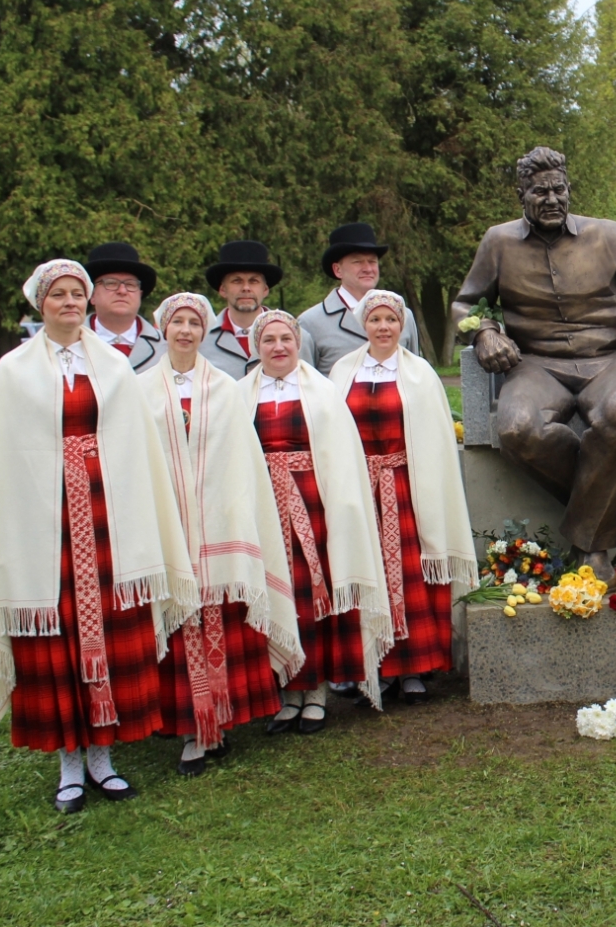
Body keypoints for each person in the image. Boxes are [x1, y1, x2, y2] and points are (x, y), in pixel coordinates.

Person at [0, 260, 196, 813]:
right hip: (45, 525)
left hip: (108, 516)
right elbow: (3, 458)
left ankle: (103, 759)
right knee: (57, 638)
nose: (68, 302)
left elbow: (136, 448)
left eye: (76, 294)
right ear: (40, 303)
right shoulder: (13, 371)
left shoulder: (112, 366)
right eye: (57, 295)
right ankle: (68, 761)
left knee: (111, 632)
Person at [451, 146, 616, 583]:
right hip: (535, 364)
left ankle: (590, 549)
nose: (552, 199)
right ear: (522, 194)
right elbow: (463, 304)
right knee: (517, 428)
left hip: (611, 359)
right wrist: (484, 332)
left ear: (569, 190)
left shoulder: (604, 235)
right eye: (540, 192)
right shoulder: (498, 242)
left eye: (559, 189)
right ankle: (610, 512)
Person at [142, 293, 302, 775]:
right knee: (180, 616)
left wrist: (227, 510)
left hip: (218, 523)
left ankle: (223, 718)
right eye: (178, 323)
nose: (186, 331)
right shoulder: (140, 390)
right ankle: (192, 728)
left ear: (204, 331)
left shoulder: (226, 389)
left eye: (194, 323)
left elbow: (239, 460)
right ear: (163, 330)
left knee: (219, 618)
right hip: (168, 521)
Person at [242, 309, 394, 733]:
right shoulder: (238, 395)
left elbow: (341, 459)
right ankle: (287, 692)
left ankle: (315, 694)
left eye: (286, 339)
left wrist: (339, 511)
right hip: (262, 507)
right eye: (269, 340)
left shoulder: (323, 393)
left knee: (313, 597)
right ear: (257, 347)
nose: (278, 347)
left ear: (298, 343)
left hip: (312, 505)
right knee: (277, 592)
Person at [330, 290, 477, 704]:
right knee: (366, 572)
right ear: (364, 325)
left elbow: (434, 439)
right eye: (375, 320)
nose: (383, 327)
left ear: (402, 326)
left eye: (390, 320)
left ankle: (413, 667)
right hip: (360, 489)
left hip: (406, 485)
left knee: (411, 575)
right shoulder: (342, 371)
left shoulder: (420, 374)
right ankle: (370, 665)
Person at [298, 222, 421, 377]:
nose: (368, 268)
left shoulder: (404, 316)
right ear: (338, 270)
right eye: (357, 262)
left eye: (372, 261)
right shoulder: (310, 323)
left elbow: (416, 376)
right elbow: (304, 387)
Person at [201, 239, 318, 378]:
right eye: (236, 281)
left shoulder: (297, 337)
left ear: (265, 289)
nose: (246, 288)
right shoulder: (202, 340)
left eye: (254, 281)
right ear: (222, 289)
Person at [84, 242, 165, 372]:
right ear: (92, 295)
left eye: (131, 284)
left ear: (140, 294)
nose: (122, 291)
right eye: (110, 283)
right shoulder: (68, 342)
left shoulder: (166, 348)